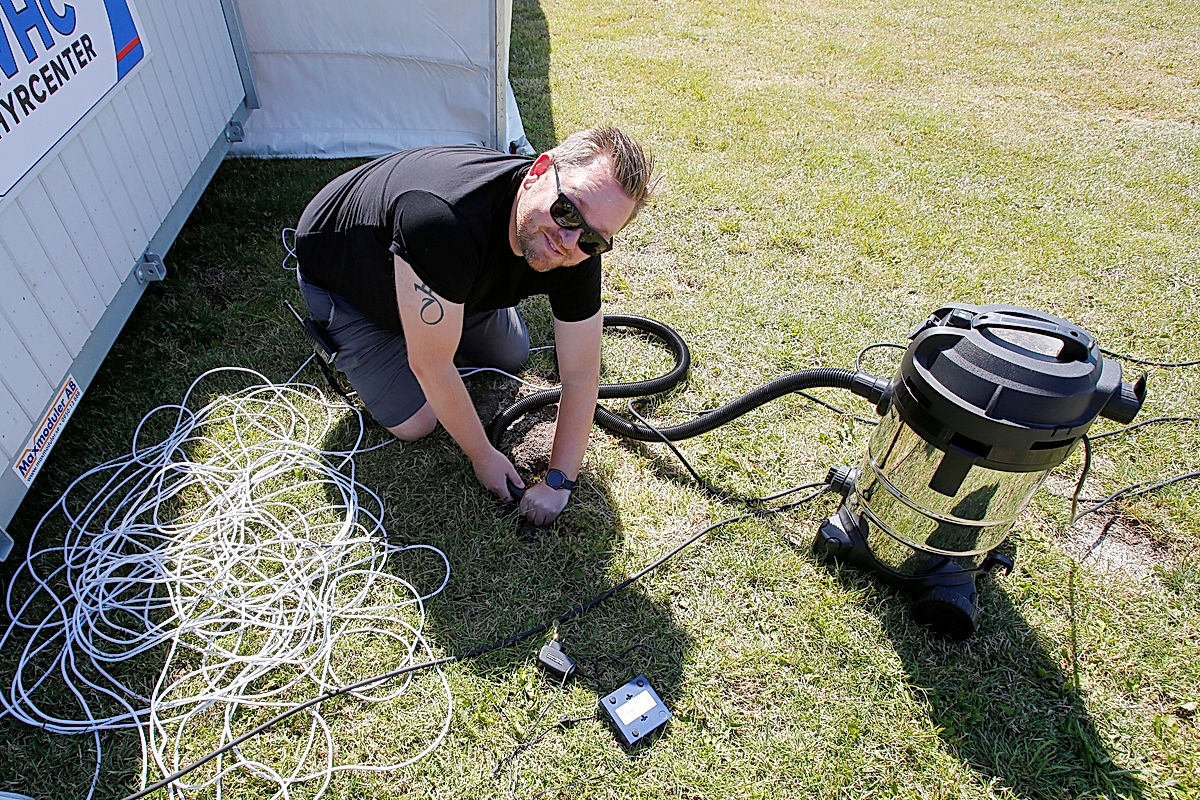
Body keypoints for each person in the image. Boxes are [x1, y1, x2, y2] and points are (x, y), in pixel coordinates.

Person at [294, 127, 661, 526]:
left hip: (452, 278)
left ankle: (441, 313)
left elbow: (581, 376)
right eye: (568, 210)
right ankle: (390, 331)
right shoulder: (442, 219)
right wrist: (483, 455)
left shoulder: (578, 251)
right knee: (416, 423)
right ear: (539, 170)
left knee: (512, 353)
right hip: (352, 287)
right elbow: (431, 365)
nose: (569, 239)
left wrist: (558, 482)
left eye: (594, 238)